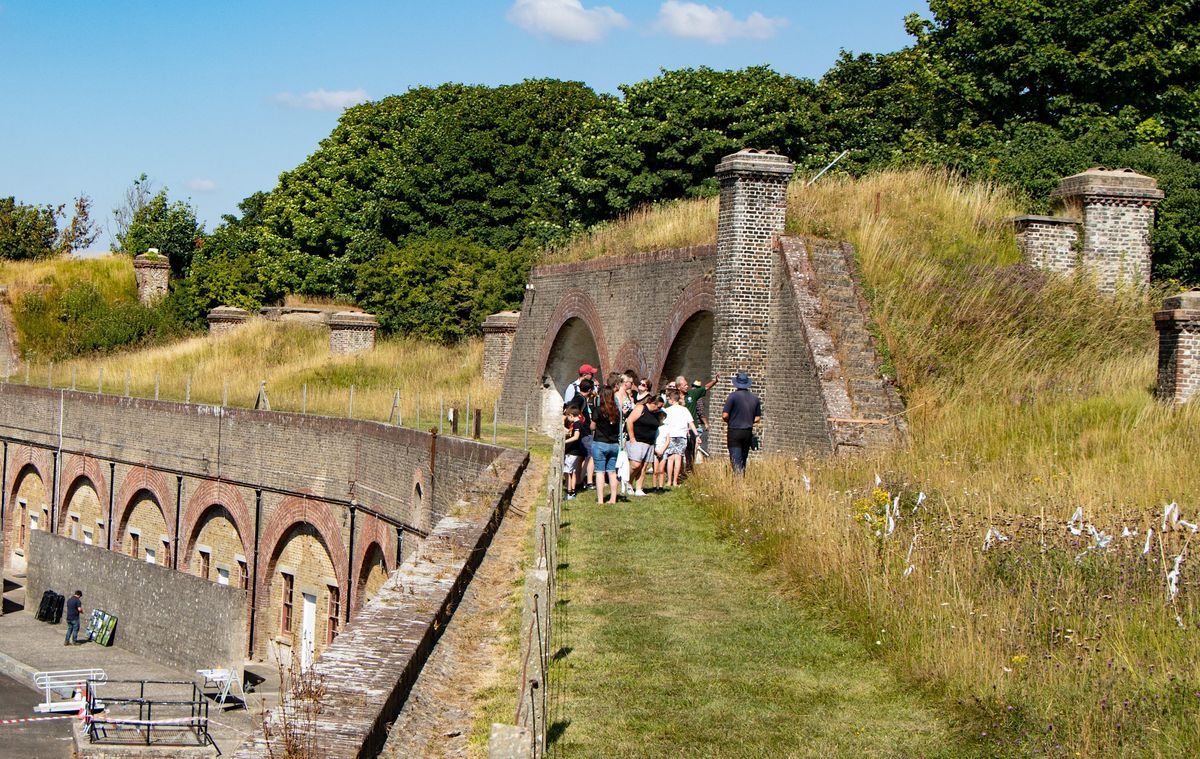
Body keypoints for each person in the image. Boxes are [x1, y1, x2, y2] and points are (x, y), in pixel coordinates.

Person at [722, 371, 762, 474]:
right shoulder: (755, 398)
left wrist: (730, 421)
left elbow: (725, 415)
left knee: (736, 462)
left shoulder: (733, 396)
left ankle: (737, 485)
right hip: (747, 432)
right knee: (743, 461)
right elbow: (757, 418)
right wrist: (748, 419)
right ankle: (742, 483)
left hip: (734, 431)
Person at [624, 393, 662, 496]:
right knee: (636, 464)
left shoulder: (656, 414)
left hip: (649, 443)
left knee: (644, 466)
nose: (659, 409)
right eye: (658, 407)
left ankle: (639, 489)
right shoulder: (641, 408)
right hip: (637, 440)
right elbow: (629, 421)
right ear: (652, 403)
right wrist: (632, 438)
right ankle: (627, 481)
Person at [590, 386, 622, 505]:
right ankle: (613, 499)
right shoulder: (617, 411)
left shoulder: (598, 410)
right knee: (612, 472)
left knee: (599, 472)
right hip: (614, 444)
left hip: (600, 443)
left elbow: (592, 426)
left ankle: (600, 500)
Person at [679, 373, 718, 469]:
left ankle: (689, 469)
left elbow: (706, 388)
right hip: (679, 427)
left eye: (688, 384)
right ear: (678, 387)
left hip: (691, 427)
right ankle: (678, 471)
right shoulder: (674, 397)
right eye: (685, 385)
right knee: (678, 451)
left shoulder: (692, 394)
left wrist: (715, 381)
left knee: (690, 449)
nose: (687, 386)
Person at [662, 389, 698, 487]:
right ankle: (675, 481)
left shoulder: (667, 410)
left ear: (672, 400)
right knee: (678, 459)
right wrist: (697, 435)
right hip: (682, 436)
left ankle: (669, 480)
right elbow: (691, 422)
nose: (668, 401)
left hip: (671, 435)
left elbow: (664, 423)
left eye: (669, 399)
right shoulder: (685, 410)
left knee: (670, 458)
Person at [563, 405, 586, 500]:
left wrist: (564, 442)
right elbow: (571, 432)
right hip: (575, 451)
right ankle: (572, 491)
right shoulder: (579, 424)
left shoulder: (576, 424)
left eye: (568, 416)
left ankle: (569, 492)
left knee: (568, 472)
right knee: (573, 472)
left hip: (572, 452)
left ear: (571, 415)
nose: (567, 419)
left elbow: (576, 437)